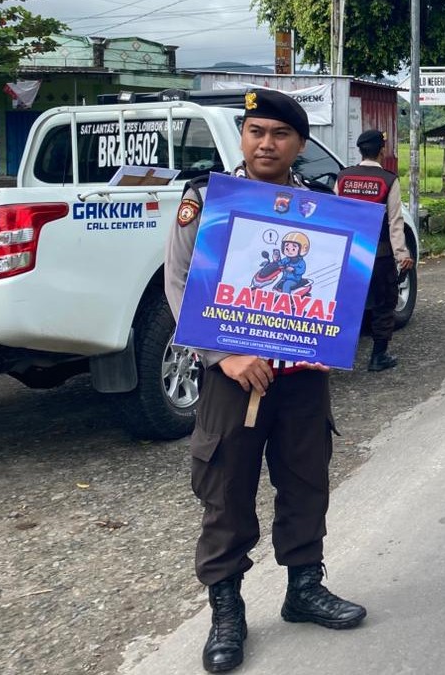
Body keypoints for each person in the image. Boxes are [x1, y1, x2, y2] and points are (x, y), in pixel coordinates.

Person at [164, 88, 365, 675]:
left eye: (280, 134)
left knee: (306, 481)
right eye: (257, 132)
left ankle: (304, 588)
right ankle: (226, 611)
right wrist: (223, 355)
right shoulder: (207, 199)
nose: (266, 144)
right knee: (225, 490)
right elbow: (179, 285)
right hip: (232, 378)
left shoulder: (325, 210)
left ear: (300, 144)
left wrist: (332, 338)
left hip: (301, 378)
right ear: (243, 137)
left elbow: (338, 287)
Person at [335, 129, 415, 372]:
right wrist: (402, 255)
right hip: (379, 256)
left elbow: (337, 216)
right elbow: (395, 222)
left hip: (350, 256)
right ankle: (378, 357)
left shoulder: (343, 177)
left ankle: (338, 355)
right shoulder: (388, 180)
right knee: (384, 304)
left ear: (360, 150)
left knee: (346, 304)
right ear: (381, 150)